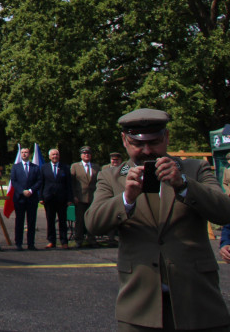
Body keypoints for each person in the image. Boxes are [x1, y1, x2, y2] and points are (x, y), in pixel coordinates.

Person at [85, 108, 230, 330]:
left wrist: (183, 185)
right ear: (124, 140)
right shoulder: (111, 177)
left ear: (167, 137)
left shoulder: (195, 169)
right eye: (138, 144)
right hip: (139, 309)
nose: (147, 150)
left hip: (199, 304)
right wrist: (126, 199)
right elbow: (93, 223)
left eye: (154, 142)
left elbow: (224, 211)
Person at [10, 147, 42, 250]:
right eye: (22, 152)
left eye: (26, 152)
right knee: (19, 221)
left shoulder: (35, 167)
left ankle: (31, 244)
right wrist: (22, 191)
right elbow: (14, 181)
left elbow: (39, 181)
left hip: (32, 198)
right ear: (20, 154)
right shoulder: (15, 167)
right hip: (19, 198)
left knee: (31, 222)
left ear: (29, 154)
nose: (24, 154)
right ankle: (18, 243)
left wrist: (31, 191)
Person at [40, 148, 72, 249]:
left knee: (62, 221)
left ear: (59, 156)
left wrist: (69, 199)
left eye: (57, 154)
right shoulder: (44, 168)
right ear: (49, 156)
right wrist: (40, 197)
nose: (55, 156)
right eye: (53, 155)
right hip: (49, 198)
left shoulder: (65, 168)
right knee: (50, 220)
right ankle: (51, 241)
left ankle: (64, 241)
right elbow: (41, 183)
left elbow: (69, 184)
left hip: (62, 199)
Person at [70, 145, 99, 247]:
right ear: (81, 155)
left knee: (92, 219)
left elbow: (98, 182)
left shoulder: (96, 167)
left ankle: (91, 239)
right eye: (84, 153)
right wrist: (74, 196)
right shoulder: (75, 166)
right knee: (80, 220)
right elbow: (72, 183)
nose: (86, 155)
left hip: (92, 197)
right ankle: (79, 240)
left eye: (88, 153)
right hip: (80, 197)